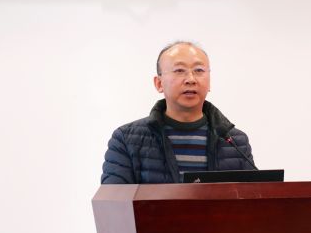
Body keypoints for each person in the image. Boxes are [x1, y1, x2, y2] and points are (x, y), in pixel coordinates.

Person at [101, 41, 256, 184]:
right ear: (159, 83)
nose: (191, 79)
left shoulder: (235, 142)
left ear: (209, 82)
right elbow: (113, 201)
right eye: (179, 70)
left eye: (199, 70)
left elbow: (254, 199)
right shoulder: (126, 140)